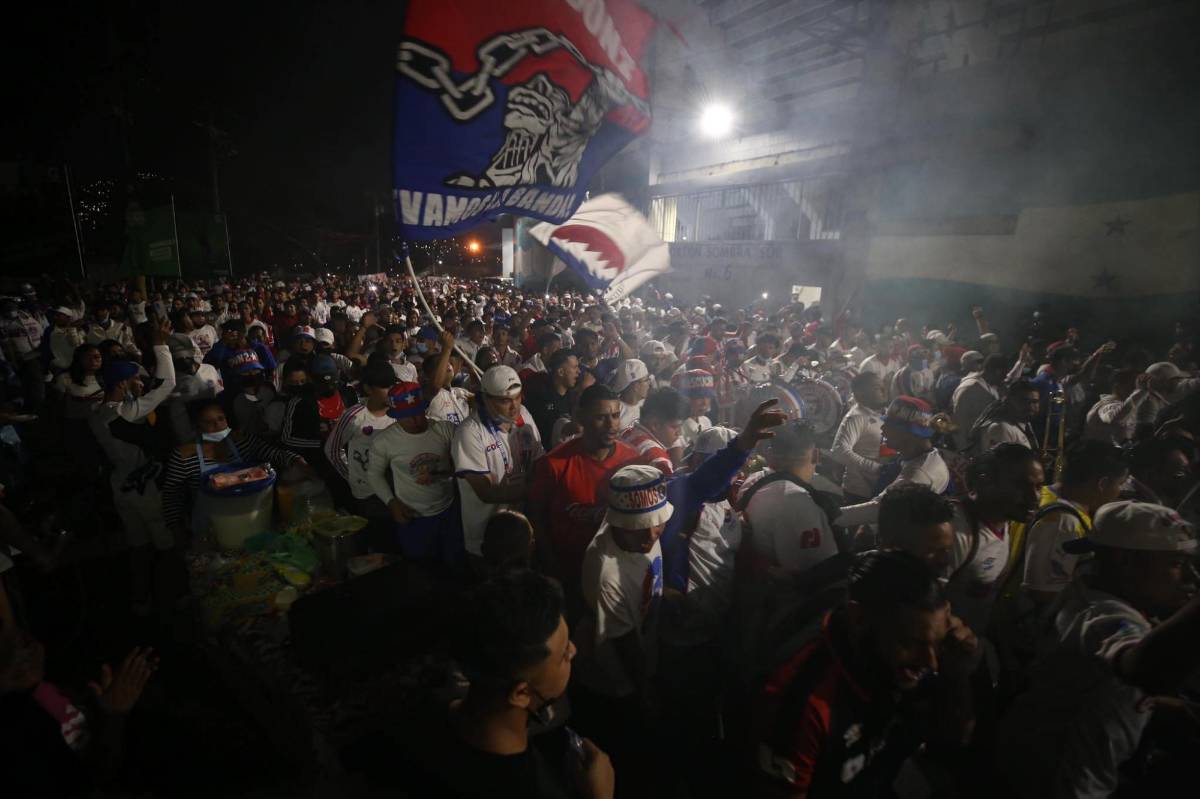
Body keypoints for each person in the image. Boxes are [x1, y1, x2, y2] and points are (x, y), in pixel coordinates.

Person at [998, 501, 1199, 798]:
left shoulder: (1083, 588)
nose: (1191, 578)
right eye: (1176, 564)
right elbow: (1143, 670)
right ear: (1125, 561)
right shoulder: (1102, 616)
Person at [754, 550, 977, 797]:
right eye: (909, 643)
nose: (931, 663)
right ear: (858, 618)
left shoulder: (917, 647)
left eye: (935, 642)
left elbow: (955, 737)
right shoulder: (803, 699)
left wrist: (956, 670)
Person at [402, 570, 613, 798]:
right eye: (563, 655)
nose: (574, 650)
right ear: (521, 693)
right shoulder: (529, 788)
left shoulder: (422, 709)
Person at [0, 624, 159, 798]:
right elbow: (91, 778)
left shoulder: (49, 688)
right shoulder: (21, 728)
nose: (18, 636)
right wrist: (112, 716)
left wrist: (102, 708)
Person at [89, 320, 177, 609]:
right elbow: (167, 384)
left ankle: (140, 598)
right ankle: (170, 597)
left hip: (120, 485)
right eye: (136, 379)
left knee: (138, 545)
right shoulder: (127, 413)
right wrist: (160, 345)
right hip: (144, 487)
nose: (142, 383)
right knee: (166, 545)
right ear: (122, 384)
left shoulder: (99, 413)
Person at [529, 385, 642, 601]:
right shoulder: (554, 464)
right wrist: (550, 565)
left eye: (615, 416)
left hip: (615, 572)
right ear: (581, 417)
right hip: (568, 572)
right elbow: (537, 515)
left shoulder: (632, 460)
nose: (611, 425)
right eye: (601, 417)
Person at [161, 399, 303, 539]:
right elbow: (171, 495)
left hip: (251, 516)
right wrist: (176, 528)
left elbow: (273, 453)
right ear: (197, 426)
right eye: (209, 422)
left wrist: (298, 461)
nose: (218, 425)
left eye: (221, 419)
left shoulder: (242, 441)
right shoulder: (184, 455)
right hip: (211, 526)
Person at [945, 443, 1044, 636]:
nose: (1034, 497)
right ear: (986, 481)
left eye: (1038, 487)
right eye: (1021, 485)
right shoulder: (956, 531)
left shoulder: (1004, 521)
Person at [452, 365, 544, 563]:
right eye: (505, 401)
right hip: (487, 538)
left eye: (518, 397)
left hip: (523, 532)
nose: (515, 407)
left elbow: (538, 460)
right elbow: (486, 493)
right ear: (486, 398)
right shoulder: (470, 433)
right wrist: (536, 489)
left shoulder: (524, 416)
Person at [1019, 440, 1128, 604]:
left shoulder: (1047, 495)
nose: (1121, 491)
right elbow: (1042, 593)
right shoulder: (1064, 521)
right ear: (1102, 484)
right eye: (1120, 484)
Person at [364, 381, 460, 567]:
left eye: (417, 413)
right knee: (420, 569)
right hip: (414, 517)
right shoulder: (384, 441)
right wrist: (392, 503)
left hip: (449, 511)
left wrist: (446, 472)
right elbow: (374, 475)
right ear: (395, 416)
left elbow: (463, 463)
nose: (414, 420)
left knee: (453, 563)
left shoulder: (445, 430)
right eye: (406, 416)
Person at [739, 421, 841, 577]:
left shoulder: (753, 481)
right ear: (816, 455)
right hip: (782, 597)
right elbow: (815, 576)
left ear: (770, 454)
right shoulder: (798, 502)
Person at [837, 396, 951, 527]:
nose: (883, 429)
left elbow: (879, 509)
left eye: (890, 425)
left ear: (909, 432)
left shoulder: (918, 473)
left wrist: (831, 516)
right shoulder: (919, 457)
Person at [323, 359, 397, 544]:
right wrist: (352, 476)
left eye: (392, 385)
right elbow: (332, 449)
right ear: (369, 389)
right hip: (368, 493)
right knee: (376, 537)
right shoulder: (355, 416)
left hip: (396, 489)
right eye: (384, 387)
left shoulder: (399, 413)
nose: (391, 391)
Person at [829, 371, 886, 503]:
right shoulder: (856, 417)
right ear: (861, 394)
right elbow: (839, 451)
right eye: (877, 388)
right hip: (860, 493)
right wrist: (876, 468)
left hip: (880, 488)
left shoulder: (883, 411)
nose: (884, 390)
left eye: (883, 385)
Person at [620, 386, 685, 475]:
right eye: (675, 427)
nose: (679, 433)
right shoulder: (657, 459)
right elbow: (664, 489)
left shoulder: (626, 433)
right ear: (655, 425)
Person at [952, 353, 1009, 450]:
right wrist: (964, 451)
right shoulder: (969, 389)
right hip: (972, 450)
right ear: (997, 372)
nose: (1004, 379)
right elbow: (959, 424)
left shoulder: (989, 384)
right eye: (1004, 375)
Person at [524, 349, 580, 445]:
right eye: (575, 367)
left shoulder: (574, 398)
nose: (579, 371)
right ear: (560, 372)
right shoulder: (539, 399)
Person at [972, 378, 1040, 452]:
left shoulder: (1024, 422)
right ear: (1010, 401)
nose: (1030, 406)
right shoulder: (1001, 428)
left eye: (1035, 402)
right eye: (1024, 401)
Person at [1083, 367, 1138, 445]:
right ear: (1117, 386)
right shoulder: (1109, 405)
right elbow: (1114, 419)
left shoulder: (1117, 404)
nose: (1135, 389)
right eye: (1132, 385)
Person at [677, 369, 714, 452]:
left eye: (708, 396)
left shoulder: (706, 421)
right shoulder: (678, 428)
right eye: (699, 397)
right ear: (686, 398)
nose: (705, 402)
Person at [610, 358, 650, 432]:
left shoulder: (647, 405)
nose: (649, 383)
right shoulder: (615, 409)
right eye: (646, 380)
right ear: (636, 386)